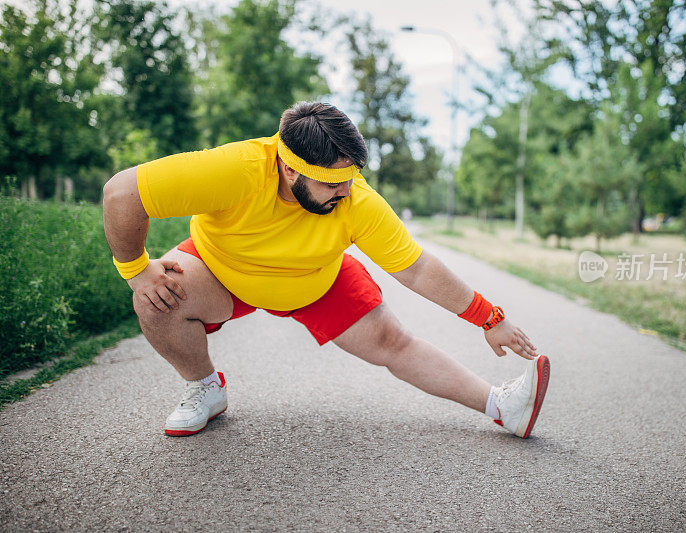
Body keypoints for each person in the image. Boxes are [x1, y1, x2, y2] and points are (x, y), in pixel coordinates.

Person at [102, 101, 549, 438]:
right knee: (158, 297)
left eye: (350, 180)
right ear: (289, 167)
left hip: (317, 279)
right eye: (332, 184)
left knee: (392, 341)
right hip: (221, 270)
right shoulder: (234, 169)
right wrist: (136, 269)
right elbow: (122, 193)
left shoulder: (355, 200)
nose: (345, 192)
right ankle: (204, 388)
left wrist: (489, 317)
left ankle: (501, 405)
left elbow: (417, 269)